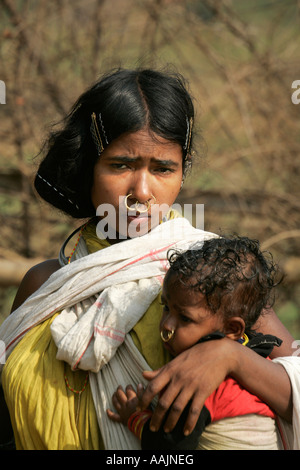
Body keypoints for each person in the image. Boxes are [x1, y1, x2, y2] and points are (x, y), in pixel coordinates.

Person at [0, 68, 299, 451]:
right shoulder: (44, 285)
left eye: (162, 169)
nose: (141, 192)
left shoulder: (217, 277)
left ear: (182, 172)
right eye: (121, 165)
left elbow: (295, 387)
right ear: (88, 165)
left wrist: (229, 356)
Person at [107, 236, 285, 450]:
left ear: (231, 329)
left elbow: (168, 451)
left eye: (185, 318)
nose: (166, 325)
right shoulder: (261, 359)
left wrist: (136, 418)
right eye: (165, 308)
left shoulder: (198, 379)